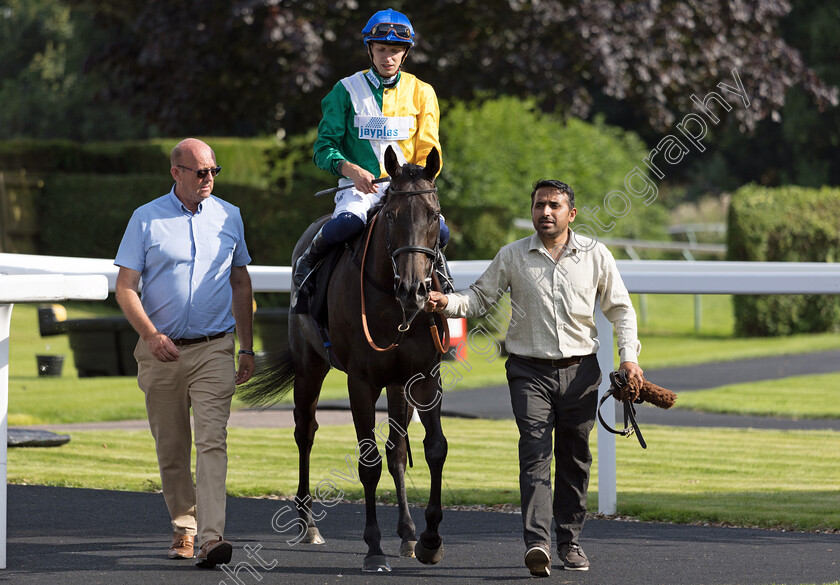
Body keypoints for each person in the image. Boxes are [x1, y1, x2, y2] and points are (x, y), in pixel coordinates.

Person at [425, 179, 643, 576]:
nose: (546, 212)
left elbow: (621, 311)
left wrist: (629, 359)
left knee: (575, 459)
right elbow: (478, 298)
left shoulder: (597, 256)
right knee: (535, 452)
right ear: (532, 211)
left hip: (582, 372)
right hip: (528, 371)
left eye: (554, 205)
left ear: (570, 213)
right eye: (539, 205)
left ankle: (570, 542)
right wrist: (445, 302)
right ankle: (538, 544)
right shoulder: (512, 256)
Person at [114, 138, 255, 569]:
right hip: (161, 353)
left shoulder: (230, 216)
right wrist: (152, 335)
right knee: (173, 447)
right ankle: (185, 528)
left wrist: (247, 348)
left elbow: (241, 283)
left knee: (213, 441)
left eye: (214, 170)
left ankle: (212, 538)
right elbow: (125, 288)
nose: (208, 178)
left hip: (215, 348)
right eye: (199, 172)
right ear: (176, 173)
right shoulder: (146, 219)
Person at [293, 8, 451, 305]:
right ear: (370, 49)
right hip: (359, 189)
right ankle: (308, 265)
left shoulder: (423, 92)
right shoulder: (344, 90)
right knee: (346, 225)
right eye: (381, 49)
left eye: (394, 50)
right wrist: (351, 170)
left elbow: (429, 149)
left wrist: (410, 182)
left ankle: (443, 278)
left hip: (406, 189)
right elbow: (323, 147)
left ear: (405, 54)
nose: (387, 57)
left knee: (440, 231)